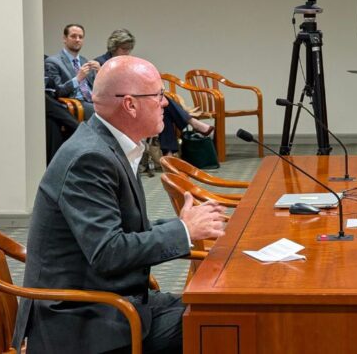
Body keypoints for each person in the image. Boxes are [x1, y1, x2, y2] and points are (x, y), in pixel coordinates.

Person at [13, 56, 227, 353]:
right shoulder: (89, 158)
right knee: (224, 329)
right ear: (130, 104)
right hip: (81, 320)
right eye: (159, 95)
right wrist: (183, 231)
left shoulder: (110, 145)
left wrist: (184, 227)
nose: (166, 103)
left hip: (113, 300)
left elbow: (121, 232)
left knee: (223, 312)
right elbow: (108, 253)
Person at [95, 28, 213, 155]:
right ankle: (191, 123)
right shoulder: (101, 64)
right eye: (124, 49)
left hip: (136, 98)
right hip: (120, 103)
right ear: (114, 47)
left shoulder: (127, 62)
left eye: (129, 49)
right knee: (158, 102)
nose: (127, 52)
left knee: (161, 107)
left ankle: (168, 153)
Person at [45, 23, 100, 120]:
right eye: (73, 36)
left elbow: (96, 89)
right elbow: (57, 93)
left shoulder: (85, 61)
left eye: (80, 37)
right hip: (76, 103)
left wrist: (100, 72)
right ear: (64, 39)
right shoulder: (53, 62)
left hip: (93, 101)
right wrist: (77, 79)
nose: (78, 39)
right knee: (102, 113)